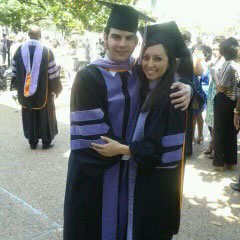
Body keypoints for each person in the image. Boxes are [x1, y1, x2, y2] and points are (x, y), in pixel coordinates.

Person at [63, 2, 192, 240]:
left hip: (133, 175)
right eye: (116, 37)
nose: (122, 44)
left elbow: (167, 79)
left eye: (129, 38)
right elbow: (93, 142)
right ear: (105, 38)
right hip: (97, 179)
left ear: (136, 43)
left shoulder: (140, 72)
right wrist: (136, 152)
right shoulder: (89, 77)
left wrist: (189, 89)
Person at [92, 21, 187, 240]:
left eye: (158, 58)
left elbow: (156, 153)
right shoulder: (146, 88)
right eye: (146, 57)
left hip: (157, 187)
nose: (149, 64)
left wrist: (121, 149)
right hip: (144, 182)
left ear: (170, 61)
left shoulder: (172, 97)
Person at [10, 26, 62, 149]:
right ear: (40, 35)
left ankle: (32, 141)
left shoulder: (19, 50)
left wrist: (17, 87)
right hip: (44, 91)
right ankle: (46, 141)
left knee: (29, 112)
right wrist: (56, 88)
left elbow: (14, 71)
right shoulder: (47, 51)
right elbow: (53, 73)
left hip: (25, 90)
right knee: (45, 114)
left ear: (28, 35)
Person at [213, 37, 240, 171]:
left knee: (219, 131)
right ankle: (231, 162)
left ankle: (219, 163)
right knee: (231, 132)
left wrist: (215, 75)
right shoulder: (236, 64)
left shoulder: (228, 65)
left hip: (223, 100)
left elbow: (221, 87)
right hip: (233, 102)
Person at [204, 36, 225, 157]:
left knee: (216, 120)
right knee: (210, 120)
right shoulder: (215, 59)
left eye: (217, 48)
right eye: (213, 48)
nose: (215, 51)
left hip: (218, 91)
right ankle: (213, 143)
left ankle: (216, 146)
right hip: (212, 91)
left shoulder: (224, 61)